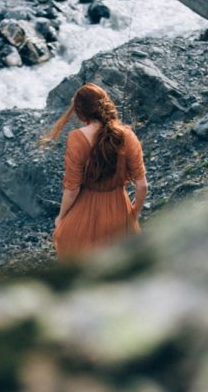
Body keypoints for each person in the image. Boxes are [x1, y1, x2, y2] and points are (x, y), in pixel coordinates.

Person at [42, 83, 148, 261]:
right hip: (119, 209)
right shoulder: (127, 136)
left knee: (80, 268)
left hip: (85, 211)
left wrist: (61, 217)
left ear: (80, 111)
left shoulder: (77, 138)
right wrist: (134, 213)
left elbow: (72, 189)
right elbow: (142, 185)